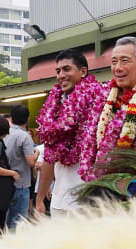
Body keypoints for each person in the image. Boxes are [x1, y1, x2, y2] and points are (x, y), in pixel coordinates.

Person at [80, 36, 136, 179]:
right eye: (113, 62)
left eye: (124, 61)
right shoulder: (103, 102)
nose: (118, 68)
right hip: (105, 186)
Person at [35, 49, 104, 218]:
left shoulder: (102, 102)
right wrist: (40, 198)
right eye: (58, 71)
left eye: (67, 69)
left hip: (90, 203)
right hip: (61, 201)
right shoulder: (56, 109)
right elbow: (50, 159)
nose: (61, 75)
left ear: (83, 71)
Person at [4, 104, 38, 229]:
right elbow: (30, 162)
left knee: (8, 221)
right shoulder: (25, 137)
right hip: (21, 183)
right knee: (19, 222)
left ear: (11, 118)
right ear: (27, 119)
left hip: (5, 183)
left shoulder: (4, 134)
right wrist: (37, 153)